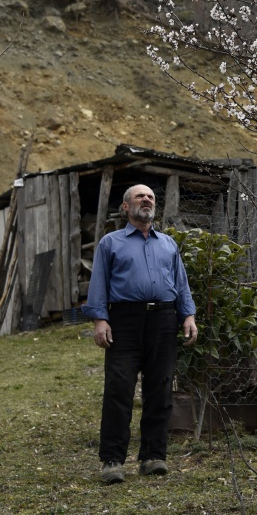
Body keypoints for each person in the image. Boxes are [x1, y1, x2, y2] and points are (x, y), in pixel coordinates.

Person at [82, 183, 198, 483]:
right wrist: (100, 319)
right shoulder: (111, 243)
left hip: (163, 319)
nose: (146, 200)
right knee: (119, 390)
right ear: (125, 207)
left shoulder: (168, 244)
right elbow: (100, 283)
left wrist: (188, 315)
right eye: (139, 196)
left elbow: (181, 283)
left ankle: (153, 457)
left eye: (151, 197)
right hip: (125, 321)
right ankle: (112, 461)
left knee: (159, 390)